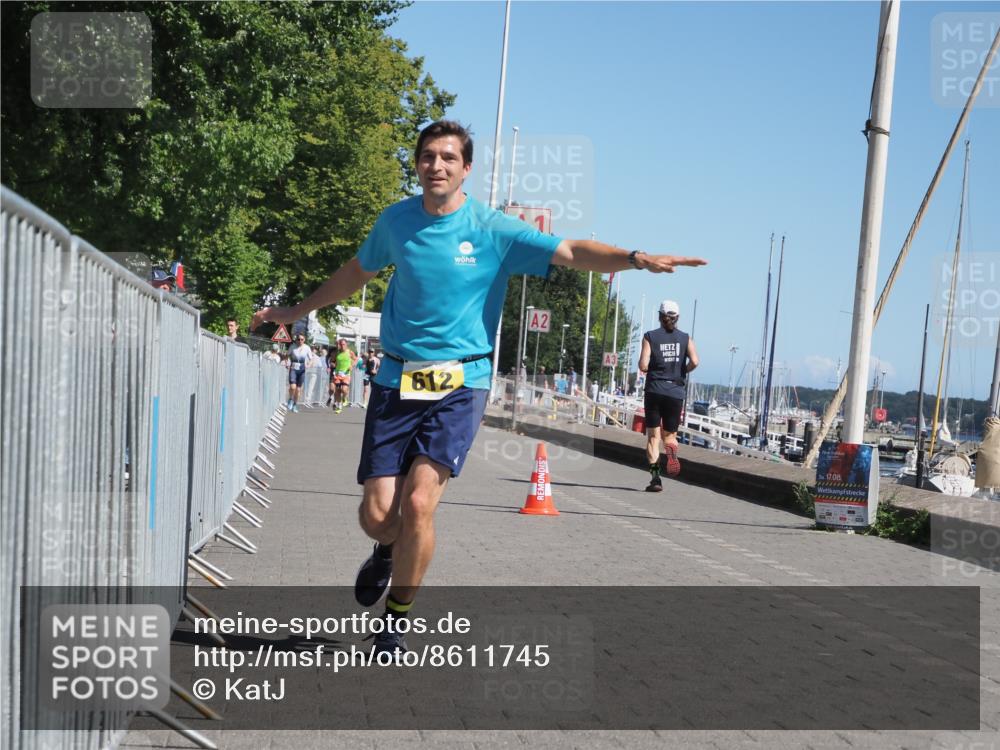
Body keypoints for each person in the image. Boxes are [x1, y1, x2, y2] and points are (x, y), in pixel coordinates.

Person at [252, 120, 706, 657]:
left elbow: (571, 250)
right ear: (417, 164)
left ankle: (395, 621)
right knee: (377, 516)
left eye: (448, 158)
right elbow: (356, 273)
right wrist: (294, 311)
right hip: (395, 379)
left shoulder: (492, 229)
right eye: (428, 156)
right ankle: (388, 549)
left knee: (419, 502)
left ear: (466, 169)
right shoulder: (396, 221)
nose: (436, 165)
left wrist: (633, 258)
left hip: (461, 383)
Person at [637, 299, 699, 492]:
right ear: (677, 317)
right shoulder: (685, 338)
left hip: (655, 389)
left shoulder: (650, 337)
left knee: (653, 437)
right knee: (670, 436)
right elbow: (695, 361)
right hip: (675, 391)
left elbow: (643, 365)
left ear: (659, 316)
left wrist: (651, 368)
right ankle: (671, 451)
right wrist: (682, 371)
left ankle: (656, 478)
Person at [286, 333, 314, 413]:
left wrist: (309, 364)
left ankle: (295, 405)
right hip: (293, 368)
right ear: (296, 340)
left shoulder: (307, 348)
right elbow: (287, 356)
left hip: (302, 369)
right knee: (293, 387)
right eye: (298, 339)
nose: (300, 341)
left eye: (302, 339)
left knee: (298, 389)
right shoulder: (292, 347)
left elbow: (311, 359)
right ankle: (290, 399)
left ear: (304, 340)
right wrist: (287, 362)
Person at [330, 338, 357, 414]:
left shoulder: (350, 352)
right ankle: (339, 407)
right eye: (341, 344)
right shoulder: (336, 352)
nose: (342, 346)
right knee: (338, 390)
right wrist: (332, 364)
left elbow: (355, 359)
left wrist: (352, 365)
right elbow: (332, 361)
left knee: (344, 389)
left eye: (343, 344)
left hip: (346, 374)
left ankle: (344, 398)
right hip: (338, 374)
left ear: (346, 345)